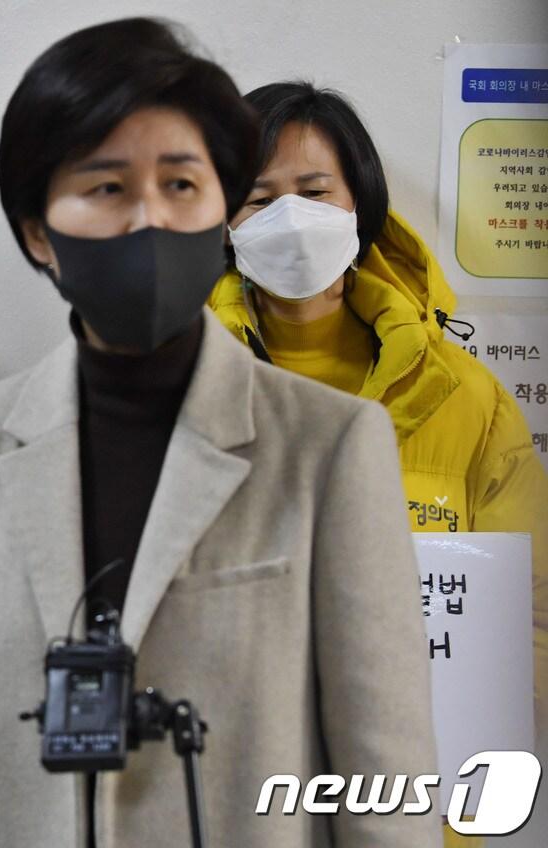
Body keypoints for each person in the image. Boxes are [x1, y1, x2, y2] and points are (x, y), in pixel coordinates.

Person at [0, 18, 438, 847]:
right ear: (37, 232)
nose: (149, 221)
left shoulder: (330, 444)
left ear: (222, 212)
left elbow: (387, 778)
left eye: (181, 185)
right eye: (106, 188)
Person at [212, 80, 548, 848]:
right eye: (257, 198)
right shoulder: (165, 390)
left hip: (425, 809)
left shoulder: (467, 399)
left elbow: (536, 610)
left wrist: (474, 742)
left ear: (358, 201)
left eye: (314, 189)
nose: (289, 217)